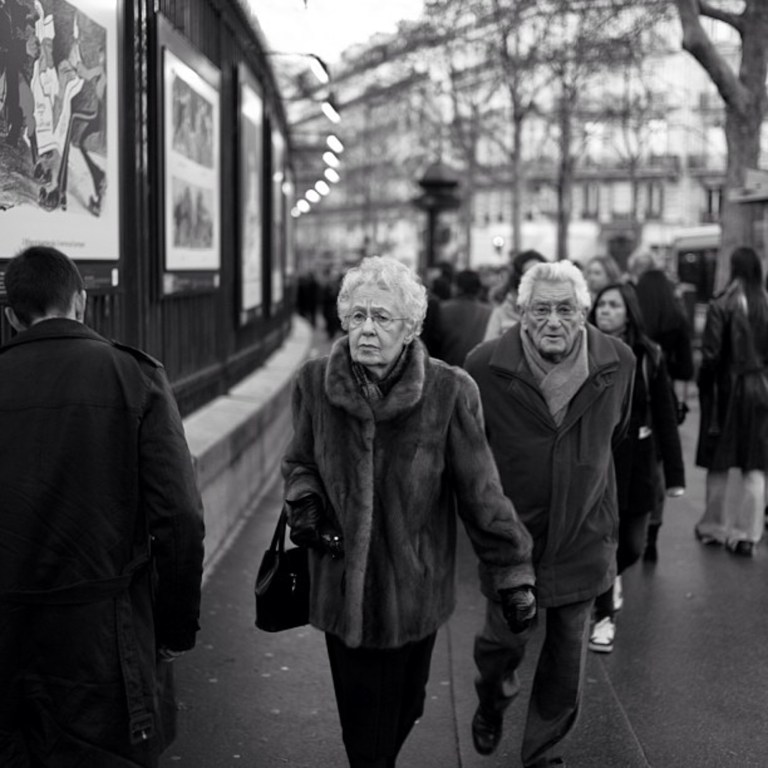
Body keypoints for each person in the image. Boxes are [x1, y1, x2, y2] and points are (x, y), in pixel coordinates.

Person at [281, 255, 536, 768]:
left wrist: (512, 573)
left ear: (412, 327)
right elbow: (300, 461)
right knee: (363, 729)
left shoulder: (449, 391)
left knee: (408, 704)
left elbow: (481, 492)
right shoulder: (314, 383)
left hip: (414, 587)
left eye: (382, 318)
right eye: (357, 316)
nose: (367, 330)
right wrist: (304, 500)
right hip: (341, 586)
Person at [0, 246, 205, 767]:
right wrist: (172, 627)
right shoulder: (133, 376)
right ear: (82, 302)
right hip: (105, 641)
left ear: (11, 315)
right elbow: (179, 517)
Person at [464, 260, 634, 767]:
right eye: (542, 309)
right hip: (512, 541)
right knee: (501, 645)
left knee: (565, 659)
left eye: (566, 309)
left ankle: (541, 752)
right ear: (521, 313)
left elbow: (616, 434)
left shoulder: (619, 362)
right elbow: (474, 453)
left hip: (585, 534)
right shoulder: (483, 366)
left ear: (583, 313)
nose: (554, 321)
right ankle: (492, 702)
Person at [588, 283, 685, 652]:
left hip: (639, 461)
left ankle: (611, 579)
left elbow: (664, 414)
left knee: (632, 544)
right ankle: (603, 618)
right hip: (599, 460)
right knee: (602, 542)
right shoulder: (583, 349)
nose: (605, 310)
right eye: (601, 304)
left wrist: (675, 476)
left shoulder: (648, 354)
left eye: (614, 305)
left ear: (629, 311)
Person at [694, 246, 768, 557]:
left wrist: (704, 385)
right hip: (761, 386)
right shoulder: (765, 301)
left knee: (719, 459)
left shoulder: (722, 301)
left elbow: (710, 355)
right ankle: (748, 533)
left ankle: (713, 527)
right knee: (755, 462)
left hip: (727, 389)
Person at [635, 266, 694, 561]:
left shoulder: (636, 320)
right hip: (665, 395)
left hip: (638, 392)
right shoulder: (677, 319)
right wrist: (681, 402)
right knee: (658, 463)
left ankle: (634, 526)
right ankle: (653, 532)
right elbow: (685, 369)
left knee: (638, 462)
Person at [433, 268, 492, 366]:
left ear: (456, 287)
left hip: (447, 370)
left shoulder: (442, 309)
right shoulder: (490, 312)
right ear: (479, 289)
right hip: (478, 371)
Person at [484, 249, 546, 340]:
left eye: (540, 274)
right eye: (529, 275)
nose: (536, 280)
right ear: (518, 279)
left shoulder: (555, 313)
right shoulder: (502, 313)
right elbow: (488, 349)